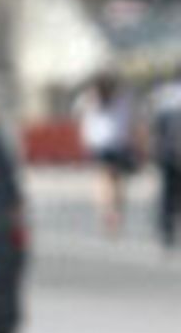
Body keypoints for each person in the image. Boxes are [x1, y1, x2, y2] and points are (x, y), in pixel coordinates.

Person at [75, 72, 140, 237]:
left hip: (103, 144)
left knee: (105, 180)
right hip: (115, 144)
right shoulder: (121, 99)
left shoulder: (92, 98)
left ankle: (108, 211)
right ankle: (113, 211)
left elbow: (78, 114)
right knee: (113, 180)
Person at [148, 69, 181, 250]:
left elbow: (155, 126)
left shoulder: (164, 95)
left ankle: (166, 228)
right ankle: (167, 227)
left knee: (167, 193)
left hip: (166, 151)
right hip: (171, 150)